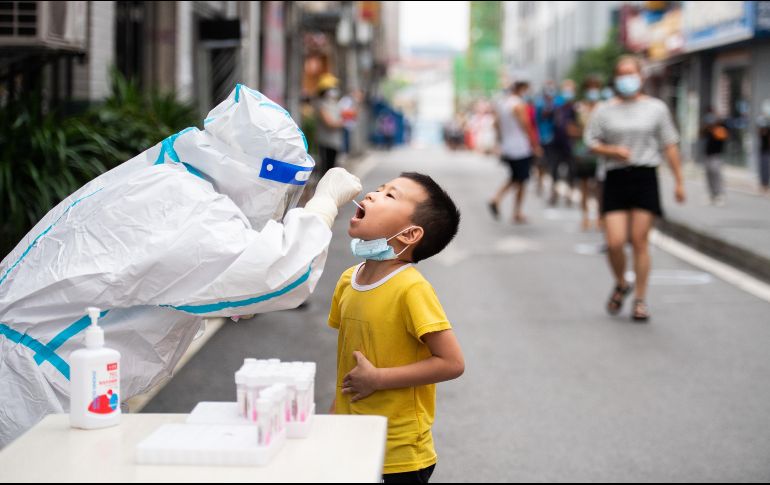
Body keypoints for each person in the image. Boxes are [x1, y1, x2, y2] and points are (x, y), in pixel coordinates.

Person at [0, 84, 362, 447]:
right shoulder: (189, 208)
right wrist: (325, 201)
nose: (279, 202)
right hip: (36, 388)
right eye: (280, 190)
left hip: (56, 376)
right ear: (252, 174)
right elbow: (284, 271)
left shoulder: (171, 179)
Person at [329, 172, 464, 483]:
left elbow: (452, 363)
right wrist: (333, 419)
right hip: (351, 441)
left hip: (398, 455)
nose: (374, 195)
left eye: (390, 195)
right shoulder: (350, 280)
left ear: (408, 234)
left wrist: (378, 379)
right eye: (378, 189)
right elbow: (348, 366)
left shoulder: (411, 289)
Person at [585, 55, 686, 322]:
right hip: (615, 176)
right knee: (615, 242)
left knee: (640, 241)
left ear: (640, 76)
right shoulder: (604, 110)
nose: (626, 78)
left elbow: (670, 143)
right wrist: (612, 150)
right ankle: (621, 282)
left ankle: (640, 300)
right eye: (621, 74)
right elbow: (590, 143)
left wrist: (679, 180)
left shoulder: (656, 108)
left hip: (645, 176)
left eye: (631, 73)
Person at [488, 81, 543, 224]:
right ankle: (511, 208)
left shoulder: (503, 104)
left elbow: (496, 124)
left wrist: (500, 142)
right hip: (521, 148)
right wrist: (535, 144)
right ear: (521, 89)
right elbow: (526, 125)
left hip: (508, 147)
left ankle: (507, 205)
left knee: (516, 177)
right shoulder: (518, 105)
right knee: (521, 179)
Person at [573, 77, 604, 230]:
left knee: (599, 187)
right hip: (583, 150)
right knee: (584, 185)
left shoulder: (604, 107)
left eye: (595, 87)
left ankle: (599, 216)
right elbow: (571, 128)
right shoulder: (579, 108)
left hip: (601, 151)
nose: (593, 91)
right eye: (590, 87)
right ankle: (585, 216)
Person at [550, 79, 579, 206]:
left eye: (570, 89)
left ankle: (569, 195)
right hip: (557, 143)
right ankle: (554, 194)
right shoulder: (557, 106)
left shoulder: (576, 108)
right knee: (555, 170)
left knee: (571, 172)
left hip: (571, 145)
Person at [314, 73, 345, 177]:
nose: (334, 90)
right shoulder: (321, 104)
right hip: (326, 142)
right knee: (326, 169)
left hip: (335, 141)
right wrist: (343, 123)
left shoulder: (336, 103)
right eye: (331, 88)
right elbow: (329, 123)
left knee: (332, 168)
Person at [700, 107, 728, 205]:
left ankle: (719, 195)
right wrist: (707, 128)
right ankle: (711, 194)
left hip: (716, 157)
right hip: (707, 156)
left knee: (717, 176)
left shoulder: (720, 130)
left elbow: (721, 137)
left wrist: (713, 129)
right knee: (708, 176)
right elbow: (701, 134)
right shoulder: (707, 130)